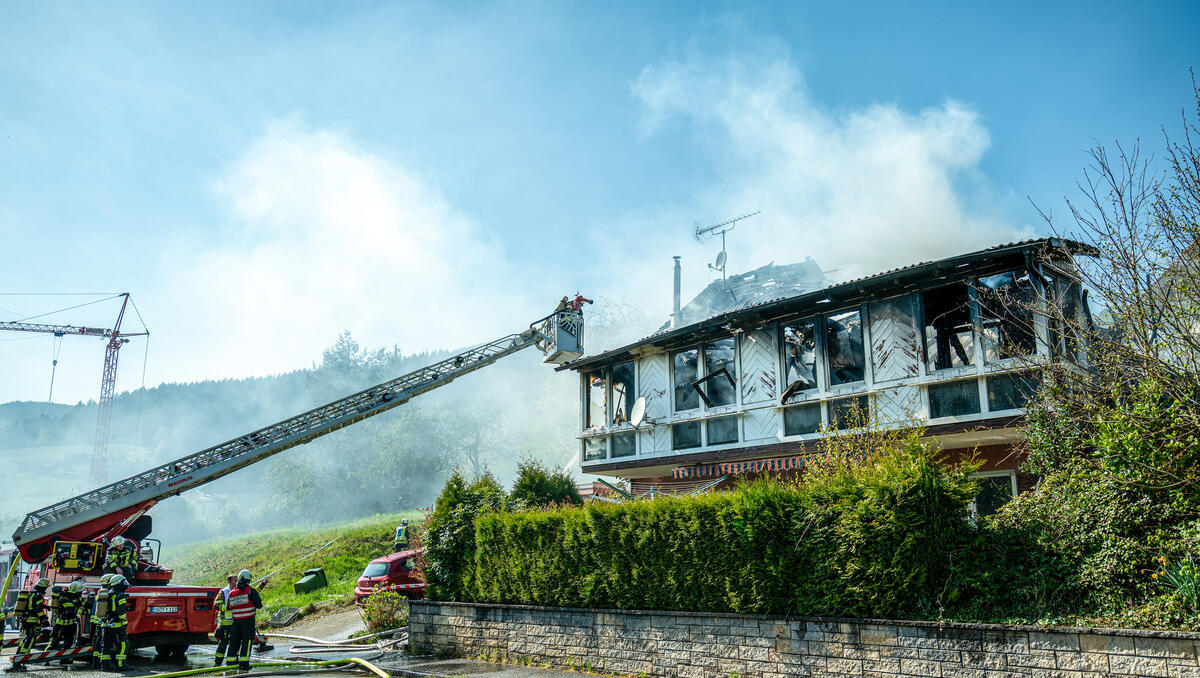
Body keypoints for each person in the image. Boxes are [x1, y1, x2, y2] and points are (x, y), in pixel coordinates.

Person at [225, 569, 263, 673]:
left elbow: (228, 607)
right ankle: (243, 665)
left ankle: (230, 664)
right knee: (247, 642)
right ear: (248, 580)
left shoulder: (232, 593)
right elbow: (259, 605)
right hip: (248, 623)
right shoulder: (251, 591)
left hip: (235, 623)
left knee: (234, 643)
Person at [48, 580, 84, 661]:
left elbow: (82, 605)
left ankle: (64, 659)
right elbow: (70, 608)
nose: (81, 593)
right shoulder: (65, 595)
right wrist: (81, 610)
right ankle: (46, 658)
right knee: (54, 642)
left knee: (68, 643)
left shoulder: (77, 597)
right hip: (61, 624)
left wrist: (89, 605)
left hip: (70, 624)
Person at [102, 575, 130, 671]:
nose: (124, 583)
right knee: (123, 644)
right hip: (116, 625)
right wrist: (124, 622)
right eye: (123, 581)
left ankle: (104, 666)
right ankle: (121, 665)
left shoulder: (109, 593)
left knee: (106, 645)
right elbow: (121, 611)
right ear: (119, 583)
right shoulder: (120, 595)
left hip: (106, 623)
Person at [16, 577, 50, 653]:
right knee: (31, 638)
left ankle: (18, 653)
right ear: (43, 587)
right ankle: (23, 657)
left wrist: (45, 607)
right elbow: (38, 610)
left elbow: (31, 606)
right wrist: (44, 619)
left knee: (27, 637)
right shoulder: (38, 595)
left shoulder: (31, 593)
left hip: (25, 619)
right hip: (32, 620)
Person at [212, 573, 237, 666]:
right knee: (223, 644)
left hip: (235, 622)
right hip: (225, 624)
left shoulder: (237, 591)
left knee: (235, 644)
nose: (236, 582)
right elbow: (216, 605)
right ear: (229, 581)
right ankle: (217, 663)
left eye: (237, 580)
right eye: (234, 580)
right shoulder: (223, 592)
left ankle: (233, 663)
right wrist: (228, 607)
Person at [91, 574, 112, 668]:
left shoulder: (100, 593)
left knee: (98, 642)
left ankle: (95, 662)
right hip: (103, 622)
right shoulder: (107, 593)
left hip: (97, 622)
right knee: (104, 643)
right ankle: (103, 663)